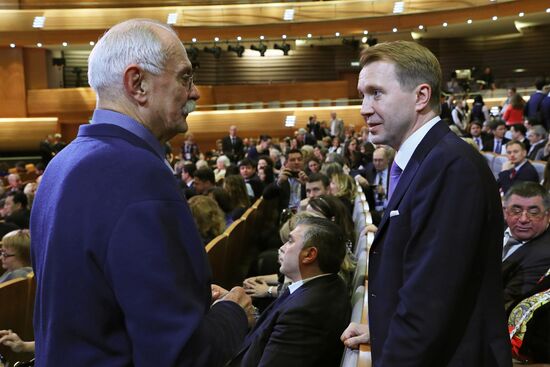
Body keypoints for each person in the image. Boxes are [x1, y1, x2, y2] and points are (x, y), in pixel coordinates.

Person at [30, 19, 253, 366]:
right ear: (138, 84)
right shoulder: (139, 175)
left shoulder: (61, 164)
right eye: (184, 77)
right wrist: (232, 315)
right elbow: (179, 356)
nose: (195, 92)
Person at [342, 41, 511, 366]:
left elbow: (430, 301)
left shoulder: (450, 167)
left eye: (376, 93)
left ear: (421, 96)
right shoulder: (428, 161)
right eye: (362, 95)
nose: (363, 108)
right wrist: (382, 328)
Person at [227, 217, 350, 367]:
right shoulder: (327, 284)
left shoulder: (304, 312)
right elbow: (271, 329)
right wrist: (237, 310)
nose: (282, 247)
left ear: (309, 255)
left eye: (290, 241)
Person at [501, 182, 550, 313]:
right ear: (505, 212)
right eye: (516, 211)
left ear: (547, 215)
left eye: (533, 212)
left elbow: (509, 302)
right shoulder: (491, 229)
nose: (523, 219)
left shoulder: (544, 255)